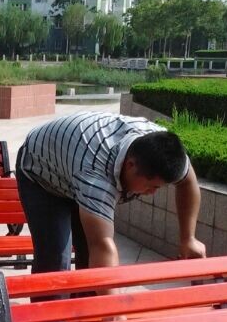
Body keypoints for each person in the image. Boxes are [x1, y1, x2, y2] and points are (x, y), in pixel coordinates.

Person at [15, 110, 206, 276]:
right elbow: (103, 245)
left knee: (90, 258)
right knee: (55, 259)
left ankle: (87, 306)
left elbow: (188, 182)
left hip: (74, 160)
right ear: (130, 165)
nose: (152, 193)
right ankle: (51, 308)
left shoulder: (163, 149)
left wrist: (188, 238)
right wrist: (117, 307)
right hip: (42, 174)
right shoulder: (96, 175)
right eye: (151, 186)